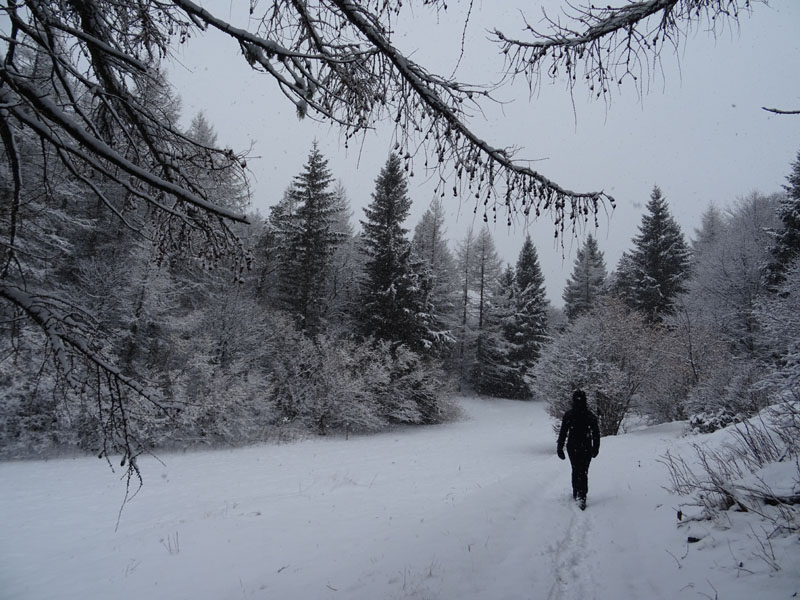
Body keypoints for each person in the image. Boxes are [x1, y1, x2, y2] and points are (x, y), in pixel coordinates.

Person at [556, 389, 600, 510]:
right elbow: (596, 433)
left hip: (573, 446)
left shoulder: (569, 415)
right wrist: (596, 448)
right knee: (583, 471)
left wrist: (560, 447)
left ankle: (578, 491)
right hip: (585, 446)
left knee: (576, 469)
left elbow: (563, 432)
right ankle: (581, 494)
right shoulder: (589, 415)